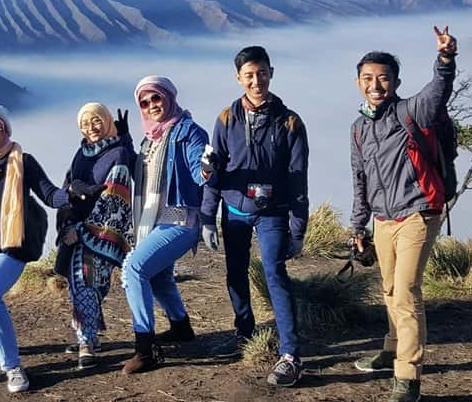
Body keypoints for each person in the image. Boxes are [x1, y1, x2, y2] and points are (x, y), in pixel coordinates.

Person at [349, 26, 458, 402]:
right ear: (357, 82)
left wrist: (445, 59)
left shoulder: (412, 112)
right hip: (382, 219)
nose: (375, 85)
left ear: (395, 82)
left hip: (418, 213)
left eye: (383, 78)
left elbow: (438, 90)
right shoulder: (360, 128)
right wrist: (357, 226)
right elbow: (359, 179)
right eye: (367, 78)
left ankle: (408, 378)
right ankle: (392, 346)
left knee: (407, 293)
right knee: (390, 288)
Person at [200, 45, 309, 387]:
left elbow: (297, 178)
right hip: (233, 210)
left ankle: (290, 354)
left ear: (271, 73)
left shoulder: (290, 122)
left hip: (273, 212)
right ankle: (244, 332)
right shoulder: (225, 118)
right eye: (249, 74)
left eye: (262, 73)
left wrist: (298, 228)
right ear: (238, 78)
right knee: (234, 272)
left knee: (275, 274)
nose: (256, 80)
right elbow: (213, 170)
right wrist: (207, 216)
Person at [0, 104, 64, 394]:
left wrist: (76, 193)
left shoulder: (23, 162)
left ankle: (13, 367)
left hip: (10, 246)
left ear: (6, 130)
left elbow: (50, 195)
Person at [120, 76, 209, 375]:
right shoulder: (151, 139)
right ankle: (181, 327)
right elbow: (145, 177)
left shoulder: (188, 132)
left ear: (168, 97)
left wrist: (207, 171)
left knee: (134, 268)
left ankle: (145, 350)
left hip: (180, 217)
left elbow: (198, 170)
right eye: (144, 102)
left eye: (156, 98)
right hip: (156, 218)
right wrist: (126, 144)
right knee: (157, 278)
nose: (151, 106)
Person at [53, 103, 137, 370]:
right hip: (75, 230)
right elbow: (68, 187)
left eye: (97, 120)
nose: (91, 127)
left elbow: (116, 196)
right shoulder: (81, 153)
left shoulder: (118, 153)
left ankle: (86, 342)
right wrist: (66, 222)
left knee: (88, 284)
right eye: (85, 123)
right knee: (80, 285)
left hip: (98, 232)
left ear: (108, 120)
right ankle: (88, 337)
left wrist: (81, 231)